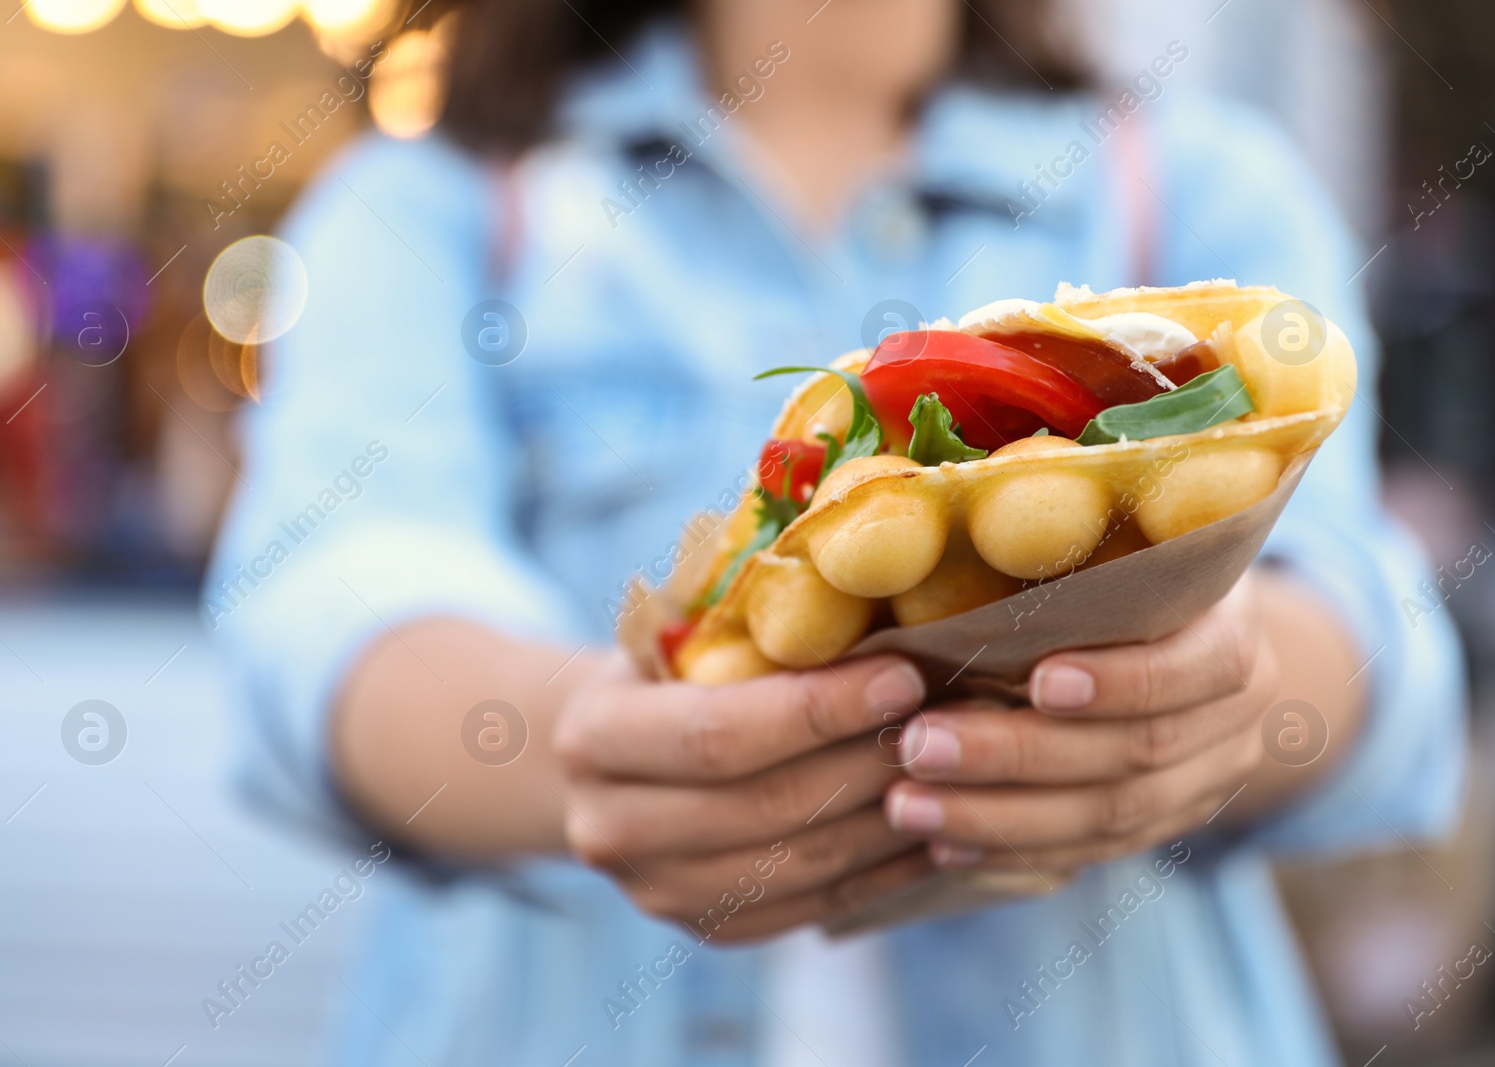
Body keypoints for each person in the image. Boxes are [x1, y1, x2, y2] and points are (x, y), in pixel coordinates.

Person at [206, 1, 1466, 1063]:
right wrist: (580, 755)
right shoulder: (431, 207)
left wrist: (1234, 703)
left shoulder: (1197, 184)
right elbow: (328, 596)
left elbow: (1366, 615)